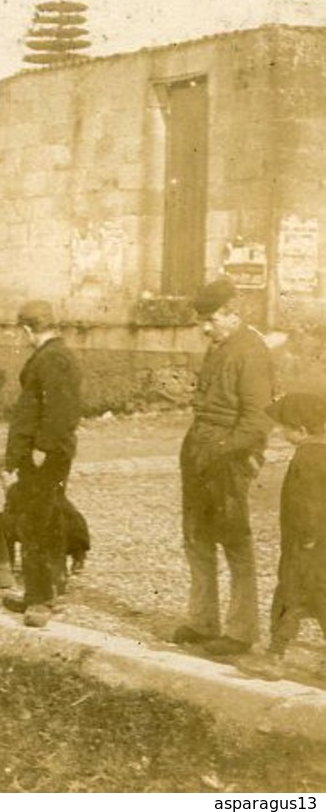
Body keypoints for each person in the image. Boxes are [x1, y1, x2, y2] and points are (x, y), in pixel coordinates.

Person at [174, 278, 274, 657]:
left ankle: (241, 631)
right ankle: (202, 621)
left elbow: (258, 420)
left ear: (234, 315)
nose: (204, 328)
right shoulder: (220, 346)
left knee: (234, 541)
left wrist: (222, 451)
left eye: (211, 319)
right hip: (201, 452)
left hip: (229, 458)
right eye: (201, 320)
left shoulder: (251, 352)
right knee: (196, 536)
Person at [0, 301, 82, 628]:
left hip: (44, 456)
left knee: (39, 525)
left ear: (29, 329)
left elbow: (60, 409)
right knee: (43, 521)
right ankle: (40, 592)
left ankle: (41, 600)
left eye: (23, 331)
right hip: (39, 453)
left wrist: (42, 448)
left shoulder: (54, 358)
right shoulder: (52, 355)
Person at [249, 392, 326, 679]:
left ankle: (275, 656)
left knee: (290, 594)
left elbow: (308, 503)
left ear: (302, 430)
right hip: (321, 544)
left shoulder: (307, 458)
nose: (281, 432)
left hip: (305, 543)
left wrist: (306, 536)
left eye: (285, 428)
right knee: (320, 596)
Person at [0, 463, 91, 591]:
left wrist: (5, 480)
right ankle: (57, 573)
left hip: (46, 537)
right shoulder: (55, 485)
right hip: (65, 543)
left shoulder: (23, 486)